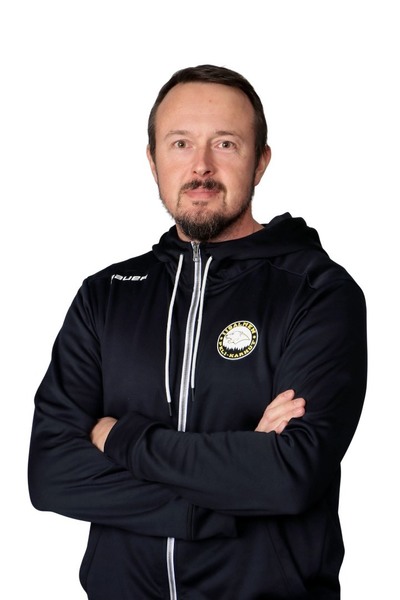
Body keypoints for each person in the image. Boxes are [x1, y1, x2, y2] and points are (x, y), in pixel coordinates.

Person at [28, 64, 367, 599]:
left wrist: (119, 438)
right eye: (180, 143)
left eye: (226, 144)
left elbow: (290, 475)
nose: (201, 166)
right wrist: (231, 491)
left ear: (261, 161)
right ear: (153, 160)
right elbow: (52, 474)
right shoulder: (107, 295)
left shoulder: (316, 291)